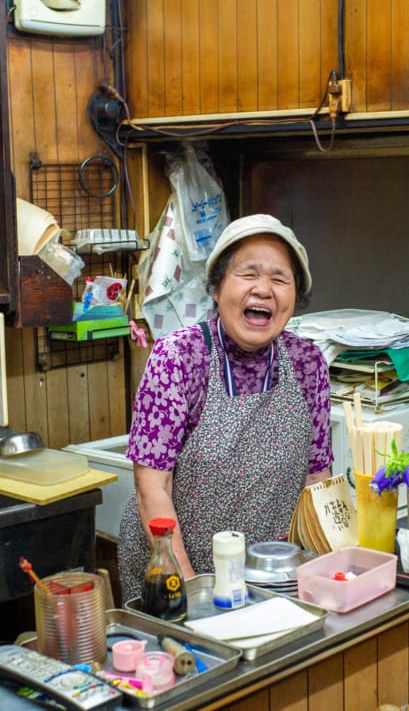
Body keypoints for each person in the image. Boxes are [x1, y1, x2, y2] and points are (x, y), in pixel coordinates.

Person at [118, 214, 332, 600]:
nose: (264, 290)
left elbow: (317, 480)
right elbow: (152, 485)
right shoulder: (179, 359)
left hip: (268, 579)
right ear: (216, 289)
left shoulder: (307, 363)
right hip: (174, 574)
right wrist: (190, 590)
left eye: (280, 279)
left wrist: (329, 571)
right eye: (248, 274)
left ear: (293, 300)